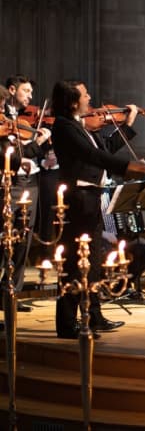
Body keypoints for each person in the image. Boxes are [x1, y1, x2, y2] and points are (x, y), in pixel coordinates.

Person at [50, 80, 145, 339]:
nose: (90, 98)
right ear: (73, 101)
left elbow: (106, 149)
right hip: (78, 199)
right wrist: (127, 167)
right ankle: (67, 323)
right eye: (85, 95)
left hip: (91, 198)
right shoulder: (64, 127)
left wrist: (127, 125)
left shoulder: (81, 126)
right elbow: (91, 156)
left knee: (93, 261)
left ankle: (94, 315)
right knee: (75, 262)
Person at [2, 75, 52, 311]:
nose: (30, 96)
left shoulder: (26, 119)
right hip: (10, 184)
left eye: (31, 92)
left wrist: (44, 146)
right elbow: (13, 154)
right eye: (26, 91)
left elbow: (32, 153)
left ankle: (11, 295)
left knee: (24, 240)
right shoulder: (3, 117)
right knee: (5, 239)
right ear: (12, 90)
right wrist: (36, 144)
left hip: (31, 182)